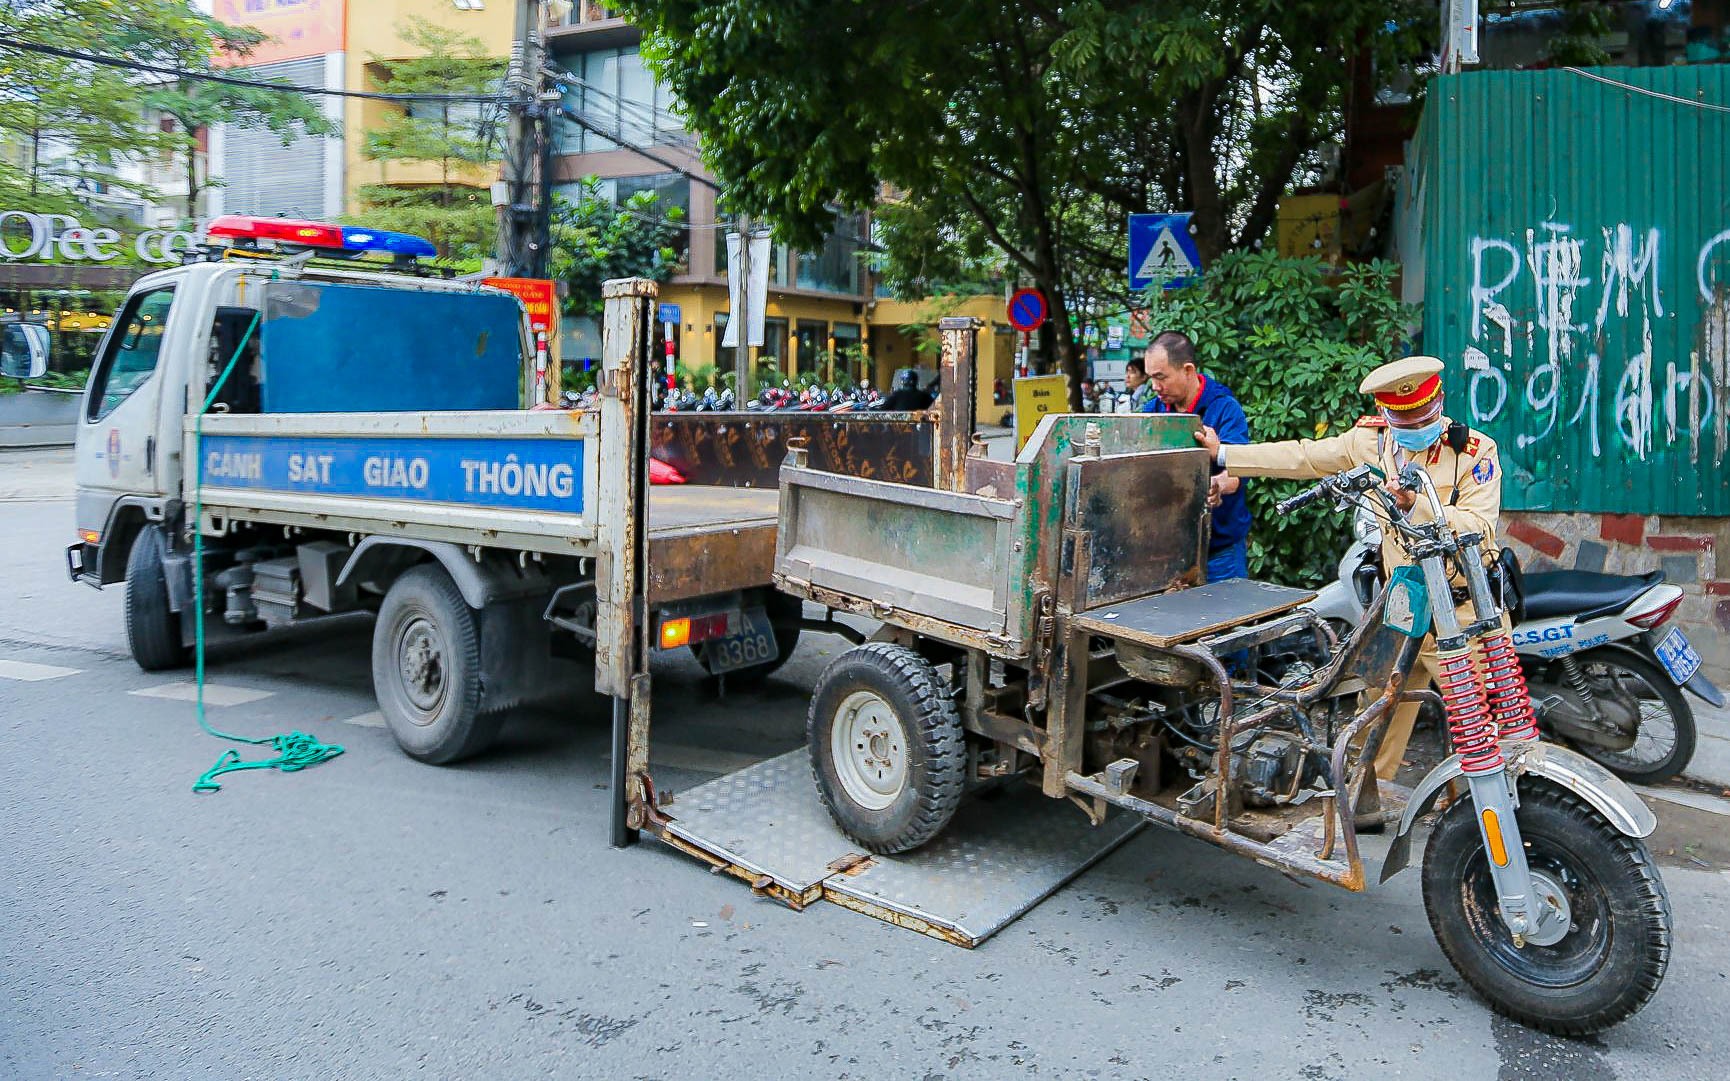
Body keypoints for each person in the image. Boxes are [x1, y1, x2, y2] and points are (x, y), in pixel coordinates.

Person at [1196, 355, 1503, 797]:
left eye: (1426, 414)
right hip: (1404, 605)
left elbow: (1480, 524)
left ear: (1440, 402)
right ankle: (1361, 805)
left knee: (1478, 725)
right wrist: (1223, 454)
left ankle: (1481, 819)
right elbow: (1303, 456)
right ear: (1385, 414)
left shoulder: (1474, 451)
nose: (1418, 424)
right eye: (1405, 417)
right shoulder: (1369, 443)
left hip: (1463, 611)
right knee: (1376, 712)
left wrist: (1415, 503)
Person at [1140, 331, 1253, 582]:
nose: (1155, 387)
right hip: (1165, 552)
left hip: (1220, 553)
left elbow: (1238, 470)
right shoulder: (1152, 412)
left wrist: (1217, 485)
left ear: (1188, 370)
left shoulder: (1224, 408)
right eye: (1151, 378)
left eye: (1161, 377)